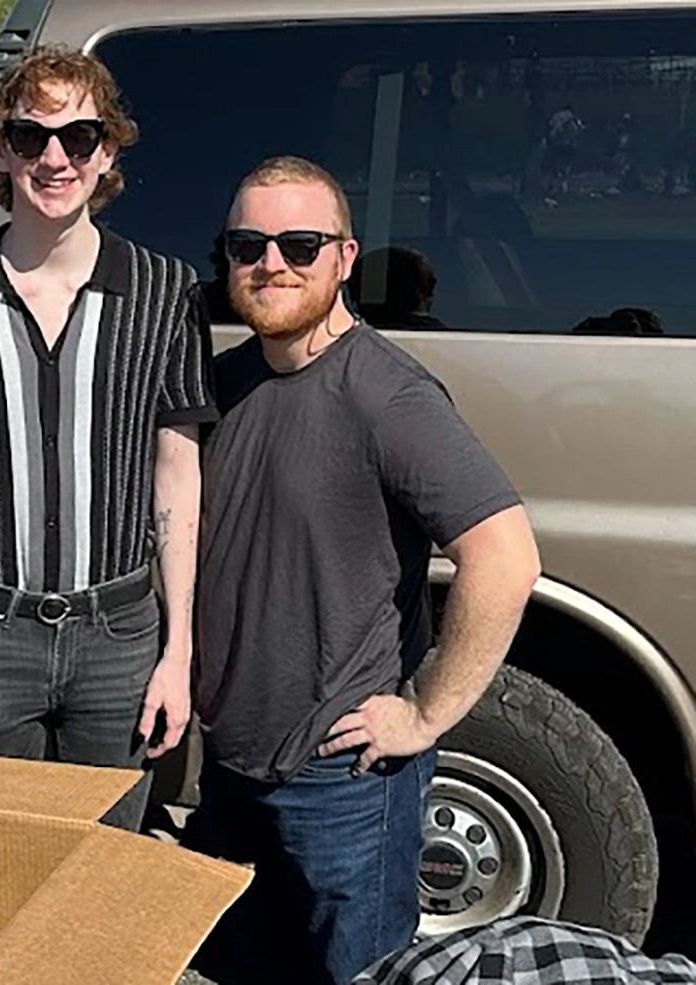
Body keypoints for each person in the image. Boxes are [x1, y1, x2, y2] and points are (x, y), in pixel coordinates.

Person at [188, 156, 542, 985]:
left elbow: (505, 553)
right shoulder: (227, 383)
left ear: (345, 259)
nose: (271, 262)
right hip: (233, 769)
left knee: (363, 975)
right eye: (248, 245)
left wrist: (423, 712)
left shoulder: (387, 395)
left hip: (342, 778)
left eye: (300, 244)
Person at [0, 45, 217, 829]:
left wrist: (178, 652)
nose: (54, 157)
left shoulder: (163, 289)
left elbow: (176, 473)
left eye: (78, 138)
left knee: (102, 866)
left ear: (107, 150)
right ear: (2, 149)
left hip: (117, 631)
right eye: (30, 136)